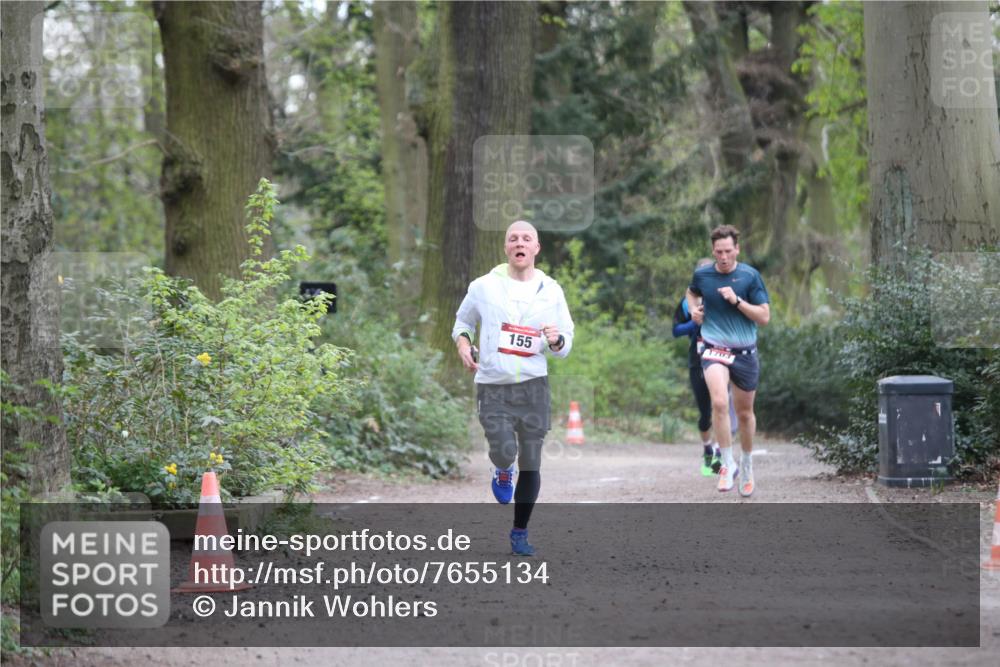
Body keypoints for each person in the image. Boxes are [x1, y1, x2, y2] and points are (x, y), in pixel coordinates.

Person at [452, 220, 574, 555]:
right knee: (506, 450)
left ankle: (520, 532)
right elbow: (462, 323)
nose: (520, 243)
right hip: (493, 385)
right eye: (513, 238)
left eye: (527, 238)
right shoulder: (483, 287)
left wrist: (556, 339)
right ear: (506, 248)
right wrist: (464, 345)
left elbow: (565, 344)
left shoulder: (552, 290)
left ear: (537, 248)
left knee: (532, 461)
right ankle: (501, 468)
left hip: (534, 386)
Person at [687, 225, 769, 497]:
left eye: (728, 251)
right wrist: (695, 312)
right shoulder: (703, 274)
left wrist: (737, 302)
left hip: (744, 352)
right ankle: (726, 463)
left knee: (745, 414)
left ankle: (746, 464)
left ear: (737, 249)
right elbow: (692, 292)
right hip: (714, 348)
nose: (723, 257)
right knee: (720, 403)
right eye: (718, 252)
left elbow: (764, 317)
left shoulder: (749, 276)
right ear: (713, 251)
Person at [672, 258, 738, 476]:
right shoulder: (685, 303)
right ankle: (708, 449)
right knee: (705, 414)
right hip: (697, 360)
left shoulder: (723, 297)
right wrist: (694, 322)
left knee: (721, 405)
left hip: (720, 357)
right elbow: (675, 330)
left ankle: (721, 455)